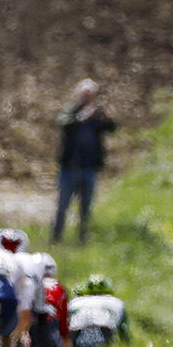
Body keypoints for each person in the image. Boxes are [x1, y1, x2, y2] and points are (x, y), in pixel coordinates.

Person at [53, 78, 115, 243]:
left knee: (86, 207)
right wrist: (81, 117)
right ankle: (56, 238)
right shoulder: (71, 110)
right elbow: (62, 123)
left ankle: (82, 238)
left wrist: (108, 117)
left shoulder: (97, 114)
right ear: (78, 95)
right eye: (84, 94)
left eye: (90, 95)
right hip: (69, 167)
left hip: (89, 168)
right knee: (63, 205)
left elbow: (112, 128)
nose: (87, 98)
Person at [66, 274, 131, 347]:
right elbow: (123, 329)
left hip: (77, 332)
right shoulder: (116, 302)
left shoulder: (74, 302)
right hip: (104, 331)